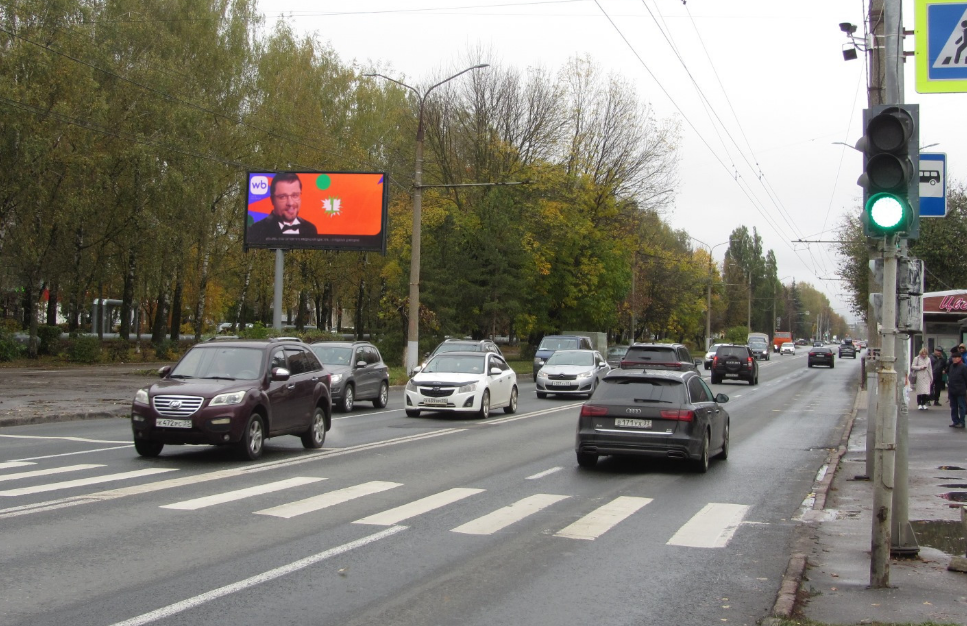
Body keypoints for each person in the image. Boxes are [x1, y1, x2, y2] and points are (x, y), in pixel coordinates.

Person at [247, 172, 318, 240]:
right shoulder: (257, 230)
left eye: (295, 195)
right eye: (282, 197)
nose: (290, 203)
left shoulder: (310, 229)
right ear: (272, 200)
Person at [946, 351, 967, 428]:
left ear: (960, 358)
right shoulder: (951, 366)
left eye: (956, 357)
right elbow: (950, 376)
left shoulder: (963, 367)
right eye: (953, 357)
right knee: (953, 407)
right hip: (952, 390)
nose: (954, 359)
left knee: (961, 406)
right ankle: (955, 421)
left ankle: (962, 422)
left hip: (960, 390)